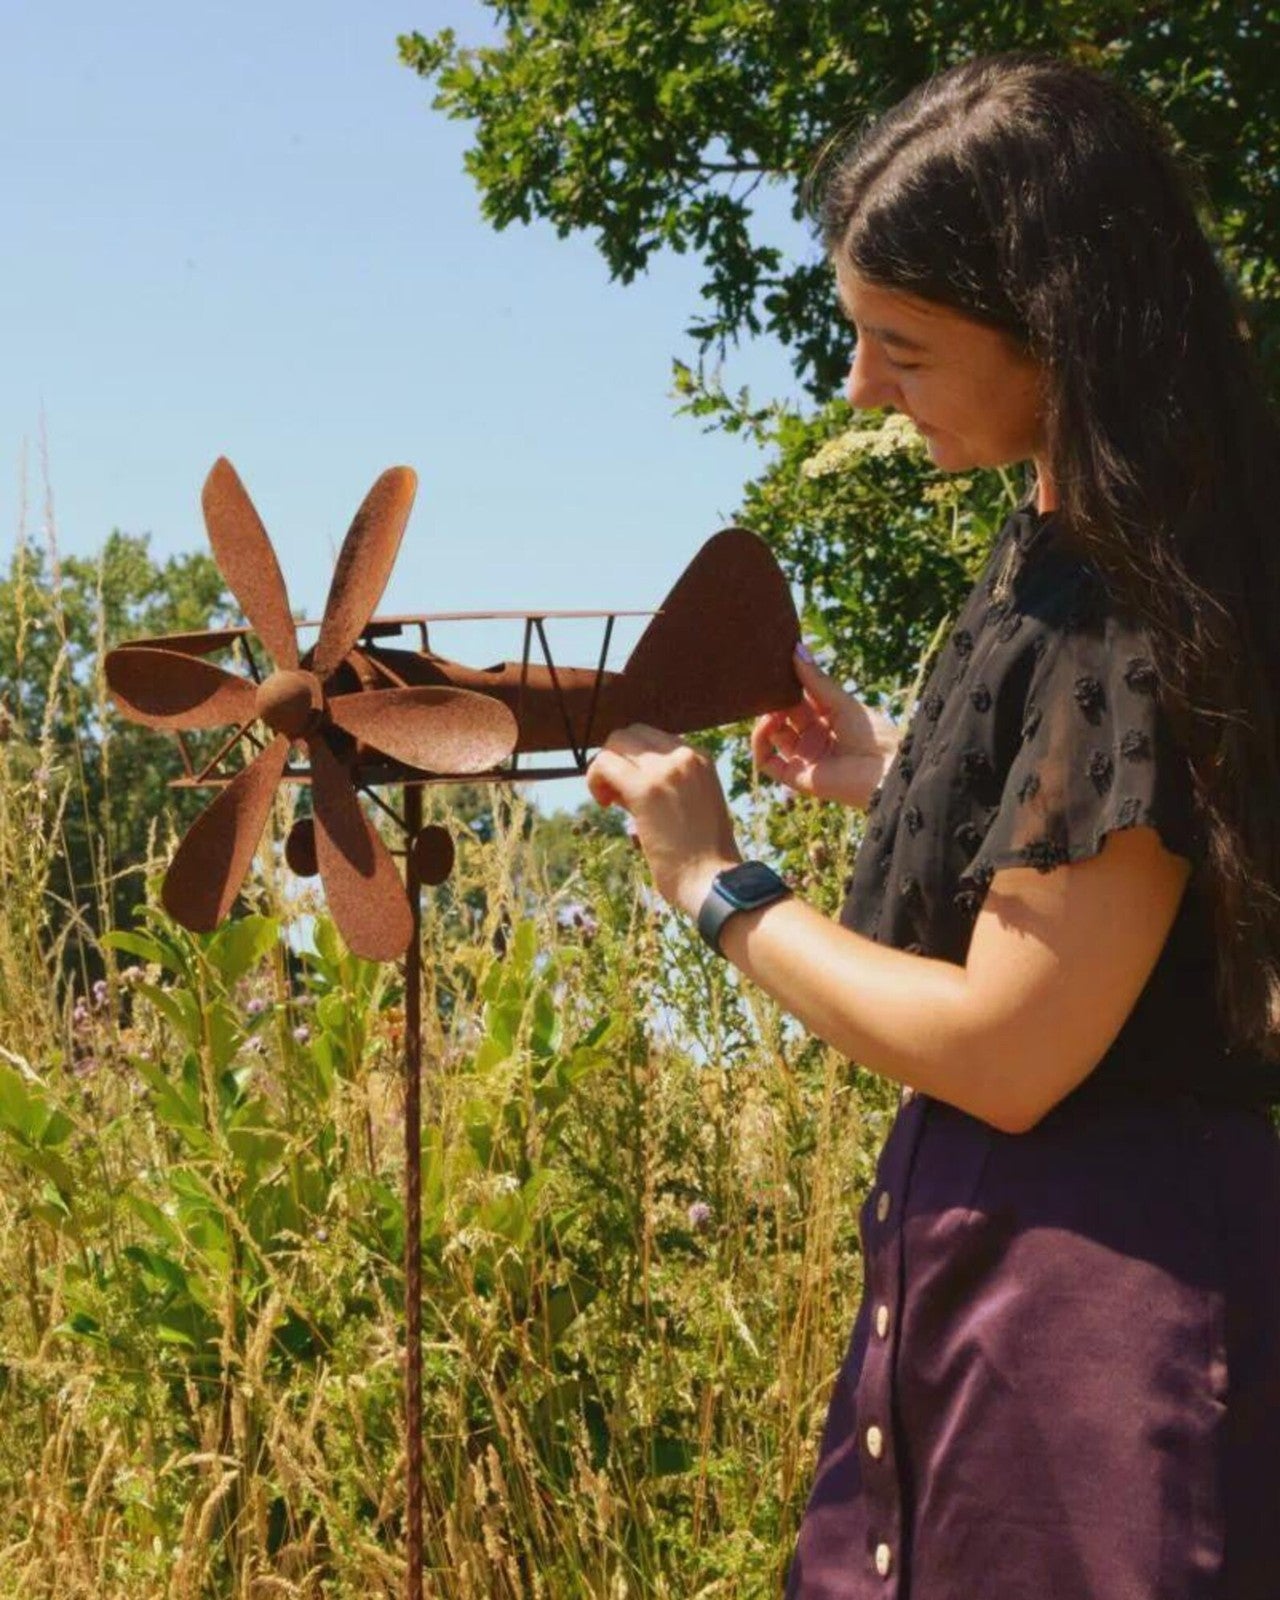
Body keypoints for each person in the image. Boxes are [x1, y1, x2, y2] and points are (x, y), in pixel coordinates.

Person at [585, 50, 1280, 1600]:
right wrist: (897, 769)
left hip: (1093, 1339)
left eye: (900, 346)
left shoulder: (1127, 601)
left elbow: (1012, 1049)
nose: (859, 388)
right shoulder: (1065, 549)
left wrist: (722, 887)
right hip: (999, 1307)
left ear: (1059, 331)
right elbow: (1109, 840)